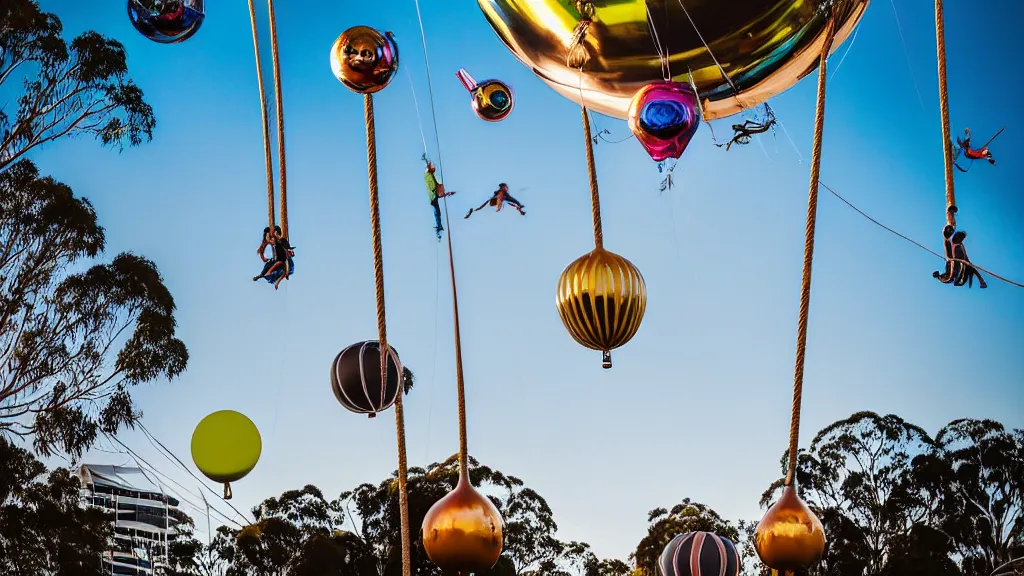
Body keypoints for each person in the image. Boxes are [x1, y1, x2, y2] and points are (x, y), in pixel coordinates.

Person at [424, 160, 454, 239]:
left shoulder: (430, 175)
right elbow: (432, 186)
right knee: (437, 212)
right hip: (433, 196)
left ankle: (439, 226)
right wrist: (438, 189)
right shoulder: (428, 176)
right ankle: (439, 227)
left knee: (437, 212)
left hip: (433, 196)